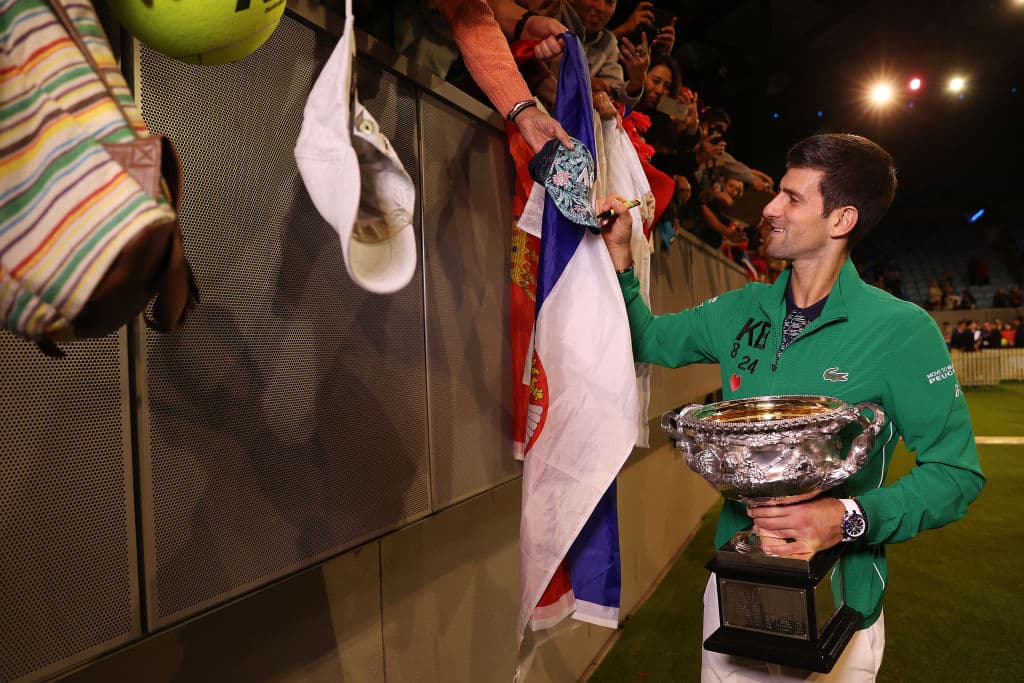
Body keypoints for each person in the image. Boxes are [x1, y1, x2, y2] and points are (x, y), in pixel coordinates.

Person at [598, 133, 985, 681]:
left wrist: (846, 519)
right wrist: (619, 260)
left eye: (792, 198)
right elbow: (648, 340)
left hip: (841, 599)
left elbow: (956, 474)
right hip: (735, 590)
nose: (771, 209)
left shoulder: (901, 331)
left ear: (841, 220)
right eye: (776, 193)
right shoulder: (741, 308)